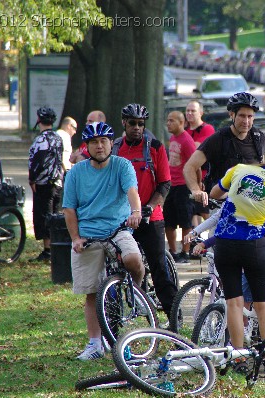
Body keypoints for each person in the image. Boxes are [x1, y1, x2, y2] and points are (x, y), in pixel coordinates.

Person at [209, 136, 265, 378]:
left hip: (225, 244)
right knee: (263, 305)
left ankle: (239, 358)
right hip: (254, 246)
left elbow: (215, 192)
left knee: (234, 303)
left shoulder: (239, 170)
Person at [63, 121, 144, 361]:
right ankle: (95, 344)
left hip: (118, 228)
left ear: (111, 143)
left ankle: (136, 295)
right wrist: (76, 238)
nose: (99, 146)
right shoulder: (76, 172)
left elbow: (132, 193)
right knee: (92, 292)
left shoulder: (122, 165)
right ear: (87, 146)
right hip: (88, 233)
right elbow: (69, 209)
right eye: (94, 142)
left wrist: (136, 212)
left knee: (133, 258)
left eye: (103, 141)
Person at [113, 103, 175, 317]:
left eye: (141, 124)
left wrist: (148, 207)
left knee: (159, 269)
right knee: (113, 267)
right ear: (124, 123)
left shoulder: (156, 147)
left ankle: (173, 317)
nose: (137, 128)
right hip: (122, 218)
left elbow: (165, 183)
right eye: (132, 123)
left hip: (151, 217)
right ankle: (112, 319)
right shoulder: (114, 148)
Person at [184, 92, 265, 206]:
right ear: (231, 115)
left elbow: (262, 169)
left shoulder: (259, 138)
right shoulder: (218, 139)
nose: (246, 121)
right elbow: (190, 167)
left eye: (250, 116)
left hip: (250, 207)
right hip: (221, 205)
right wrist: (196, 190)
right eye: (242, 116)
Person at [28, 106, 64, 262]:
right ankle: (56, 248)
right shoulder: (57, 138)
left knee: (44, 216)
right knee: (55, 214)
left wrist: (32, 179)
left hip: (44, 183)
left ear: (39, 120)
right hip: (57, 182)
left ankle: (48, 250)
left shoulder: (41, 140)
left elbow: (39, 162)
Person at [164, 111, 196, 263]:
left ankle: (185, 252)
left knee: (185, 221)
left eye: (171, 120)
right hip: (172, 184)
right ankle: (172, 251)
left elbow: (195, 164)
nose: (168, 123)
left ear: (181, 122)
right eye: (168, 120)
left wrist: (196, 184)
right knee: (168, 220)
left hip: (184, 185)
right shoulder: (173, 138)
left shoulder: (187, 140)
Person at [185, 100, 215, 228]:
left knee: (203, 209)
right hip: (187, 176)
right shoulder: (185, 130)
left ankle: (214, 231)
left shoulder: (207, 129)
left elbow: (197, 148)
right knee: (191, 211)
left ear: (201, 113)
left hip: (203, 176)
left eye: (193, 111)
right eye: (187, 110)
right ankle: (194, 238)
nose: (189, 113)